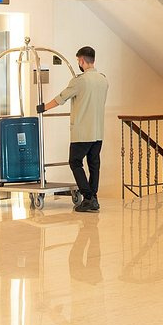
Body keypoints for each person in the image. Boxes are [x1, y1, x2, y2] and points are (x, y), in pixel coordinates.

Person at [36, 46, 109, 212]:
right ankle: (93, 197)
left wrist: (43, 108)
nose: (78, 63)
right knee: (94, 164)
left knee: (75, 162)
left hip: (82, 132)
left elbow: (61, 98)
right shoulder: (103, 80)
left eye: (78, 61)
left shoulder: (79, 81)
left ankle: (88, 197)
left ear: (82, 60)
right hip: (98, 131)